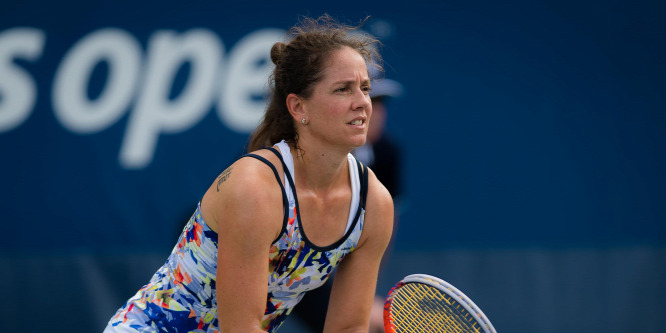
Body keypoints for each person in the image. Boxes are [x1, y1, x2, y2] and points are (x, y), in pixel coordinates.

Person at [104, 14, 394, 333]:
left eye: (365, 88)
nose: (362, 103)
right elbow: (241, 328)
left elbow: (348, 328)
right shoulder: (254, 188)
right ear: (298, 108)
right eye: (343, 89)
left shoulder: (375, 203)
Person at [292, 66, 404, 333]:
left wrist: (363, 295)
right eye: (349, 94)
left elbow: (381, 228)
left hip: (309, 262)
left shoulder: (387, 154)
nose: (368, 110)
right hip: (257, 253)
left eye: (376, 101)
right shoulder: (278, 156)